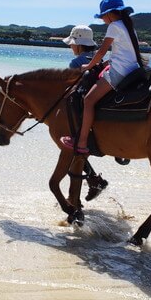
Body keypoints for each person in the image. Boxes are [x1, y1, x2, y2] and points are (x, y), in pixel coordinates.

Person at [60, 0, 140, 154]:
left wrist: (89, 66)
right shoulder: (127, 26)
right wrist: (105, 63)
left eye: (103, 16)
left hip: (119, 71)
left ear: (109, 14)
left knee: (88, 100)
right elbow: (123, 53)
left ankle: (82, 142)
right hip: (132, 68)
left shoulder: (113, 26)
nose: (102, 19)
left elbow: (102, 50)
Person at [62, 25, 109, 201]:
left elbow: (71, 88)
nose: (70, 47)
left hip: (83, 110)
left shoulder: (76, 62)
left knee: (74, 147)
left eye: (72, 44)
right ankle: (94, 179)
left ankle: (91, 182)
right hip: (101, 105)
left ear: (79, 44)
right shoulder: (101, 56)